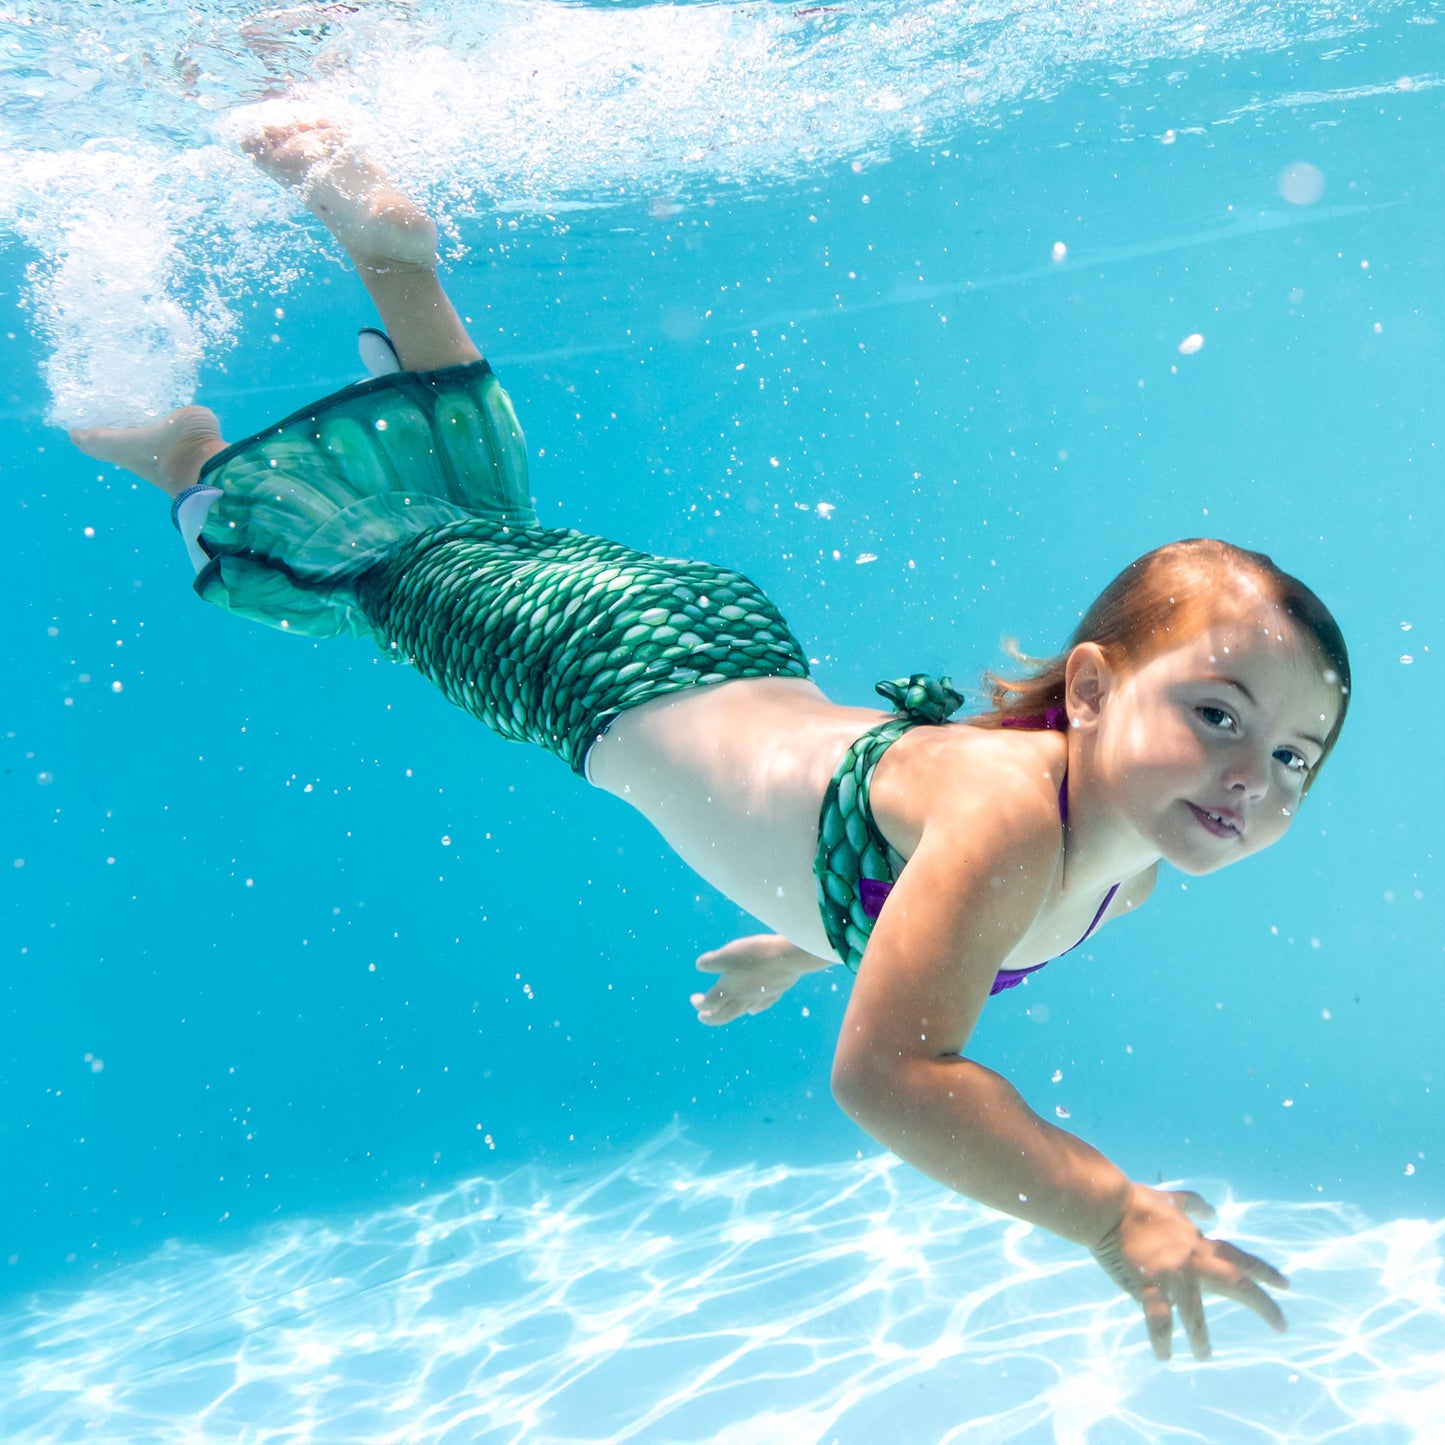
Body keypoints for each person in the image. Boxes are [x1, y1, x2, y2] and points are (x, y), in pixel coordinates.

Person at [70, 120, 1350, 1362]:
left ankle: (390, 259)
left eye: (1294, 756)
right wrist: (1112, 1211)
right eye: (1217, 714)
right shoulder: (1015, 820)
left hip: (720, 635)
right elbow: (893, 1077)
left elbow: (911, 896)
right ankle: (195, 447)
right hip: (592, 671)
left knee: (487, 532)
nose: (1251, 773)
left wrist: (805, 947)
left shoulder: (1117, 870)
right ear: (1084, 691)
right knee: (371, 570)